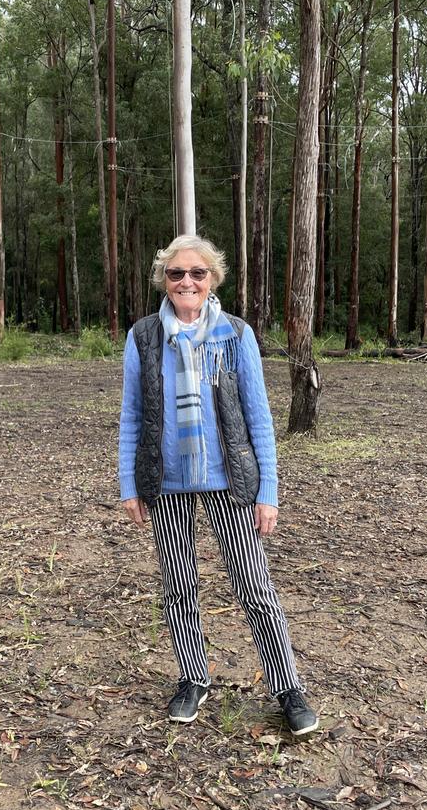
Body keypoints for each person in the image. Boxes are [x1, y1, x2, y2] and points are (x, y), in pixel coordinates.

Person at [119, 234, 318, 736]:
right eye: (176, 273)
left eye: (197, 273)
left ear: (213, 280)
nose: (186, 281)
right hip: (165, 482)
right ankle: (193, 677)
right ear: (163, 280)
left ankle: (287, 686)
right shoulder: (143, 336)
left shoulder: (235, 334)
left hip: (228, 480)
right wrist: (129, 483)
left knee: (254, 585)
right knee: (179, 585)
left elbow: (258, 417)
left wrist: (267, 491)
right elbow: (131, 417)